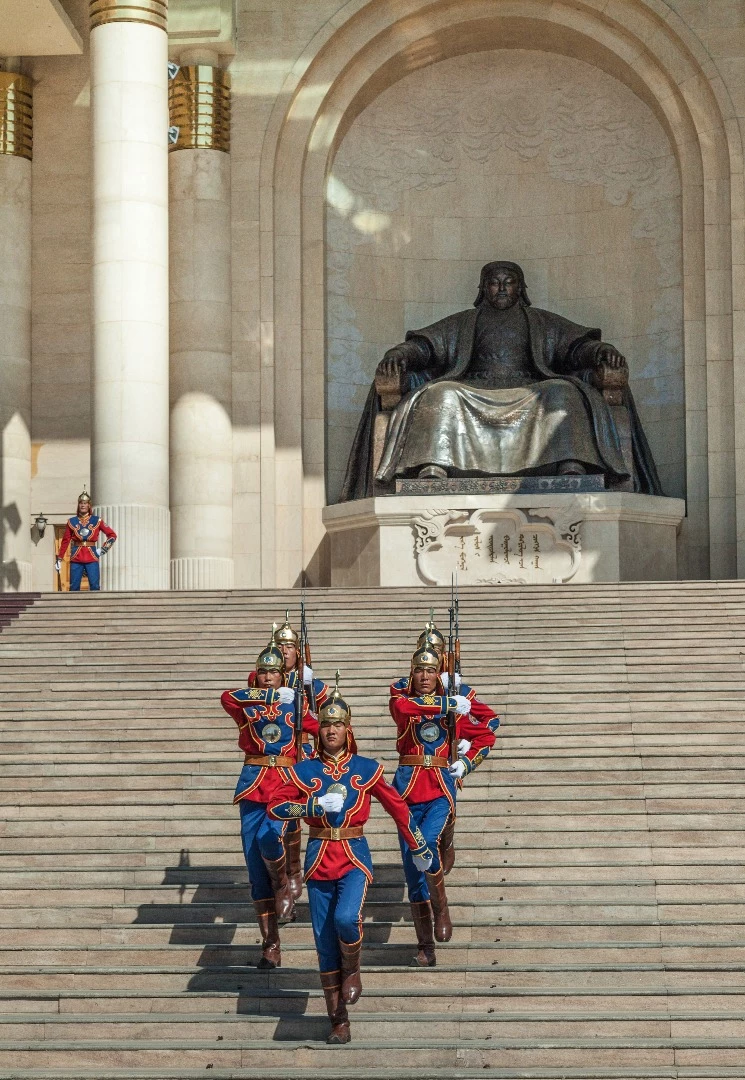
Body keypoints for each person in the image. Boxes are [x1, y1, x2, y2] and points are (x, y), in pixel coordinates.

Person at [341, 260, 662, 499]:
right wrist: (400, 355)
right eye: (495, 283)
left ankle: (571, 464)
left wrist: (601, 351)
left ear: (521, 288)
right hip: (473, 389)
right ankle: (433, 466)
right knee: (441, 396)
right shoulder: (465, 322)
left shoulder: (539, 321)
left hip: (532, 390)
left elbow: (576, 347)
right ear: (483, 289)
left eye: (509, 282)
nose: (503, 288)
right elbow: (426, 346)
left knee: (564, 393)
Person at [268, 676, 434, 1044]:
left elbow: (398, 808)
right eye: (325, 724)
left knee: (347, 918)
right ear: (318, 730)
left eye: (338, 724)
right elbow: (277, 806)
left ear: (348, 729)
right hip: (318, 855)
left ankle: (354, 971)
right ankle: (338, 1020)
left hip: (354, 856)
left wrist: (419, 846)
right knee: (324, 942)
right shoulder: (303, 770)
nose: (331, 730)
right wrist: (311, 805)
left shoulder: (366, 768)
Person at [390, 644, 497, 967]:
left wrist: (467, 762)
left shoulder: (452, 712)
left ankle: (441, 907)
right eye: (419, 670)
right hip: (407, 787)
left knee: (428, 845)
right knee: (413, 865)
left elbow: (487, 734)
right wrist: (450, 701)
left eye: (431, 670)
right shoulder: (402, 700)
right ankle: (425, 946)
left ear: (440, 674)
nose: (424, 676)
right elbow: (406, 709)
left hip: (438, 787)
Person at [220, 636, 319, 968]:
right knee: (253, 870)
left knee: (270, 838)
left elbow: (326, 729)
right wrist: (268, 696)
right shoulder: (249, 702)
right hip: (253, 785)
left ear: (283, 675)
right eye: (262, 672)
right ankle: (271, 944)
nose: (267, 677)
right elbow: (226, 698)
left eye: (273, 673)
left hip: (286, 787)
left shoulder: (296, 703)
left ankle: (283, 882)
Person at [246, 612, 331, 900]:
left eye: (290, 646)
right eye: (280, 645)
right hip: (275, 751)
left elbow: (328, 716)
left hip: (303, 750)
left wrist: (310, 684)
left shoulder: (309, 681)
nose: (285, 650)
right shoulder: (265, 676)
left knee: (293, 814)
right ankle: (286, 873)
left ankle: (294, 868)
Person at [55, 488, 117, 591]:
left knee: (94, 586)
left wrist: (102, 550)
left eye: (85, 503)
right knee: (74, 587)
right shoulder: (72, 521)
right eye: (81, 503)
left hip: (92, 556)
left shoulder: (97, 520)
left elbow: (112, 535)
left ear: (89, 505)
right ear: (78, 505)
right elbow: (65, 541)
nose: (83, 505)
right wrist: (60, 558)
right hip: (76, 557)